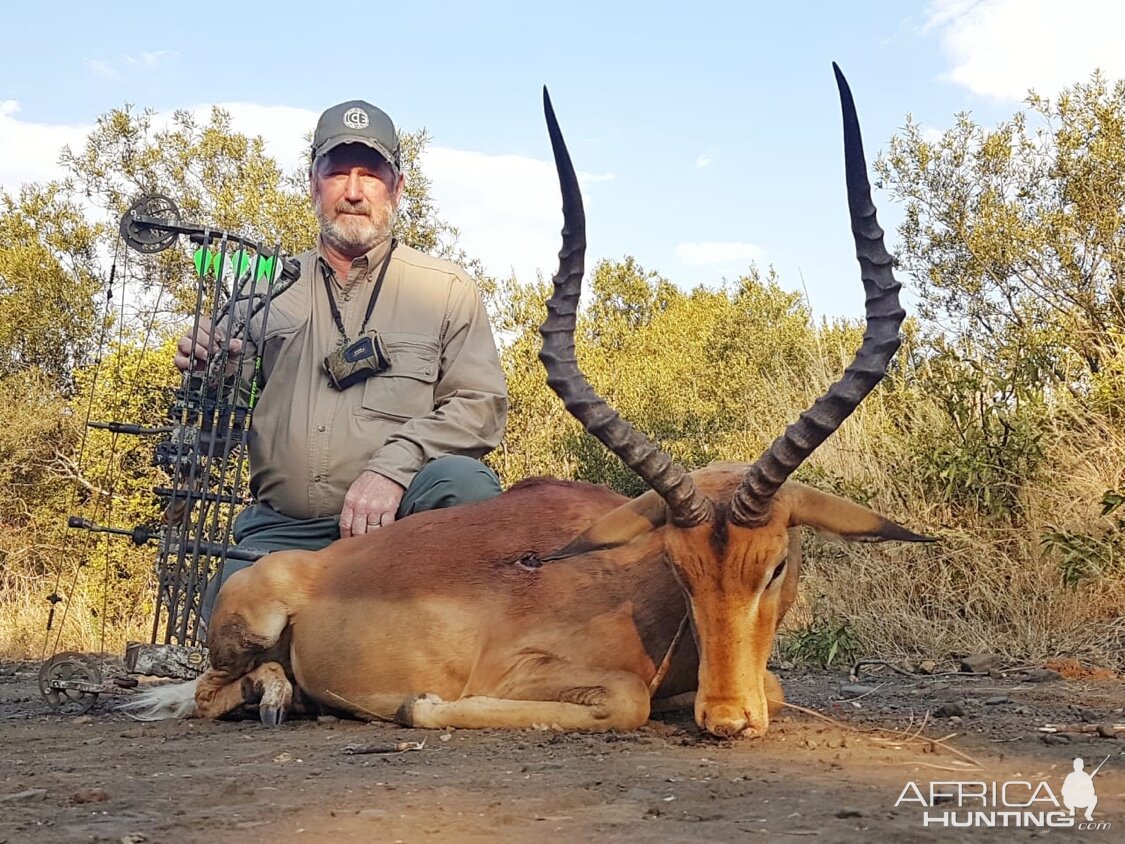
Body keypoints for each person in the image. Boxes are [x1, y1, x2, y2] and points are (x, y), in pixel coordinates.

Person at [174, 99, 508, 614]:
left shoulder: (447, 289)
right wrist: (210, 369)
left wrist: (392, 468)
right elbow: (217, 433)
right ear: (314, 184)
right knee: (233, 633)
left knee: (465, 486)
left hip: (400, 526)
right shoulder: (261, 287)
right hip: (283, 530)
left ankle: (466, 658)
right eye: (337, 173)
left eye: (370, 175)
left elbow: (480, 407)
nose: (353, 192)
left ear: (396, 188)